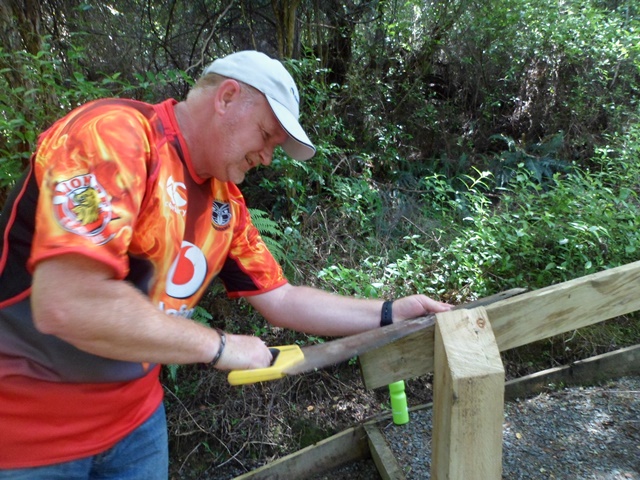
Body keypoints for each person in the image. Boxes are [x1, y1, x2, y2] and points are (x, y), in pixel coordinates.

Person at [0, 50, 451, 479]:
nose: (267, 157)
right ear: (227, 97)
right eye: (267, 135)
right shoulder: (115, 136)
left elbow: (281, 299)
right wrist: (218, 346)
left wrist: (391, 312)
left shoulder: (224, 204)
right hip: (27, 436)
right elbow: (70, 302)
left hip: (136, 425)